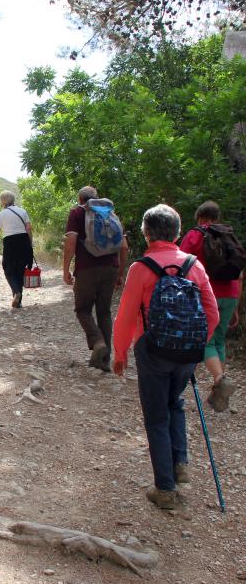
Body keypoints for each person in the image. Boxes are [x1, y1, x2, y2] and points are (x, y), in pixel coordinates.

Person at [113, 204, 219, 510]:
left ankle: (165, 489)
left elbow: (125, 316)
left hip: (153, 350)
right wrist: (198, 344)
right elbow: (211, 312)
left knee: (156, 415)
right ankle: (179, 461)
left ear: (147, 234)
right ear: (178, 232)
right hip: (188, 352)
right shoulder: (194, 266)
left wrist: (120, 355)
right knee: (176, 403)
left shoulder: (141, 268)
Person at [180, 200, 244, 412]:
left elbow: (181, 265)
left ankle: (219, 379)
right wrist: (236, 306)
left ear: (199, 217)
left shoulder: (195, 235)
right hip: (231, 293)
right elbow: (240, 273)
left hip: (208, 294)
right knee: (219, 340)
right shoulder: (228, 236)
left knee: (204, 340)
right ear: (217, 218)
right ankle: (216, 394)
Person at [63, 186, 128, 371]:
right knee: (105, 313)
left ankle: (98, 343)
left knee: (83, 310)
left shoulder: (77, 213)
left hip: (87, 269)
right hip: (111, 268)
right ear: (95, 198)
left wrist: (66, 269)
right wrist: (120, 272)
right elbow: (124, 247)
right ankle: (105, 361)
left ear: (80, 198)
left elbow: (71, 242)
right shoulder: (110, 213)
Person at [0, 190, 33, 308]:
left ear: (2, 201)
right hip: (23, 240)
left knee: (8, 270)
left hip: (10, 242)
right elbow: (28, 228)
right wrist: (30, 244)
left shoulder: (1, 214)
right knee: (20, 270)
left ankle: (16, 293)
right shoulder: (22, 211)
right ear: (13, 200)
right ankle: (18, 300)